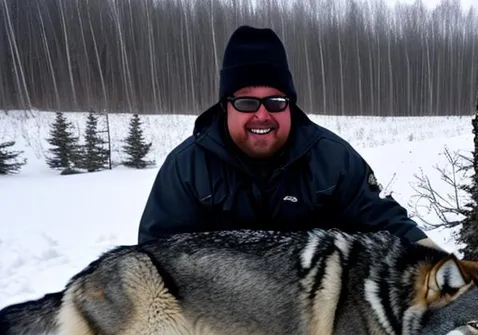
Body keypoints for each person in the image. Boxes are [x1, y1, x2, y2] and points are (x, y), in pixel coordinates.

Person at [138, 25, 438, 250]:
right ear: (224, 106)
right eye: (246, 102)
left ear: (290, 105)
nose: (262, 115)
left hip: (310, 324)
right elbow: (155, 259)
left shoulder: (333, 161)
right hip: (214, 323)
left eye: (276, 102)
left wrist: (435, 260)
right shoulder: (188, 169)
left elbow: (379, 220)